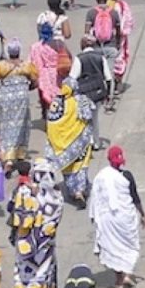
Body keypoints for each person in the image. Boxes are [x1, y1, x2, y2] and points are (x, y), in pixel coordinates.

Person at [10, 158, 64, 288]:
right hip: (44, 244)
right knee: (43, 272)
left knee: (25, 272)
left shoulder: (24, 192)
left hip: (25, 243)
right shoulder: (56, 198)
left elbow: (15, 215)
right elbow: (56, 219)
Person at [90, 146, 145, 288]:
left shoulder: (101, 177)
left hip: (108, 219)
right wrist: (142, 213)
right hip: (125, 217)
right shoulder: (127, 176)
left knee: (113, 248)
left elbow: (96, 198)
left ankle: (119, 280)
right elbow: (134, 197)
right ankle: (127, 274)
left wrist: (94, 217)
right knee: (129, 246)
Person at [0, 38, 38, 171]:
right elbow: (35, 81)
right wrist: (26, 88)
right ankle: (20, 154)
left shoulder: (1, 66)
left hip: (6, 98)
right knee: (22, 125)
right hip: (22, 98)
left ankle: (8, 158)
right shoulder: (27, 65)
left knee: (5, 126)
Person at [45, 78, 94, 208]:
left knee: (68, 170)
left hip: (61, 145)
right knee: (81, 166)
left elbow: (51, 122)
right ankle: (81, 190)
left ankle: (74, 192)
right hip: (80, 141)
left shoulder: (56, 103)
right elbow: (88, 115)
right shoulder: (80, 100)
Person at [72, 35, 113, 150]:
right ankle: (96, 142)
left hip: (84, 93)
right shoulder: (100, 57)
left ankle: (88, 141)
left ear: (83, 45)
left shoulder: (79, 59)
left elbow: (73, 77)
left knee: (85, 118)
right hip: (98, 93)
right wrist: (108, 95)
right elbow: (108, 78)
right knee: (95, 117)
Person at [30, 23, 75, 117]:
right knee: (59, 94)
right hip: (58, 73)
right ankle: (60, 114)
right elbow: (69, 56)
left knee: (45, 96)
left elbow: (32, 63)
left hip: (43, 75)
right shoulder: (59, 44)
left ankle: (46, 113)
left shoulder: (36, 47)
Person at [85, 0, 121, 73]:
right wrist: (118, 43)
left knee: (97, 71)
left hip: (96, 47)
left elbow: (86, 33)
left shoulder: (91, 12)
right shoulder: (114, 12)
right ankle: (110, 84)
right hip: (111, 46)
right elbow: (119, 31)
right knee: (110, 70)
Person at [107, 0, 135, 89]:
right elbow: (129, 20)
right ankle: (118, 79)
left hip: (107, 37)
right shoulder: (123, 5)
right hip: (120, 37)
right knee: (120, 57)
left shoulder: (106, 5)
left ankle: (110, 79)